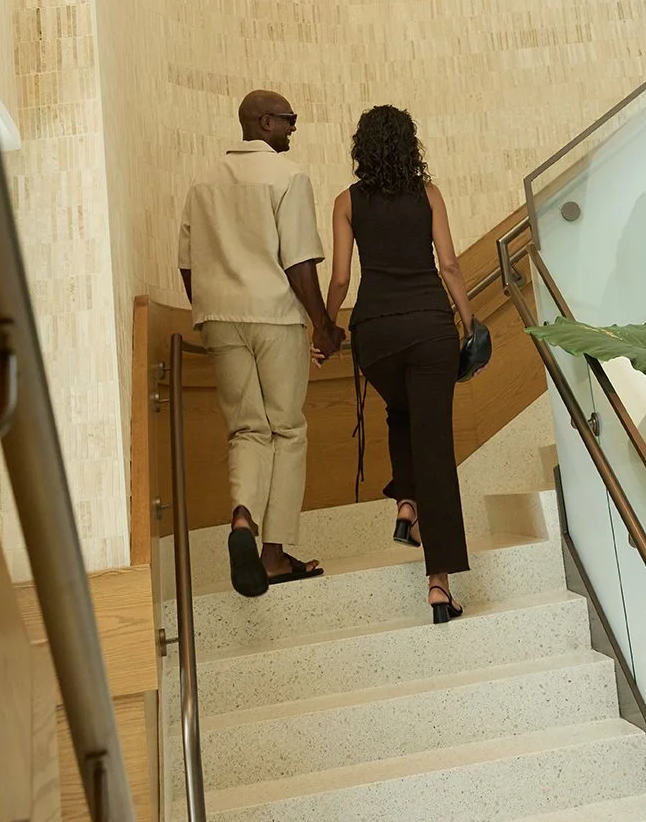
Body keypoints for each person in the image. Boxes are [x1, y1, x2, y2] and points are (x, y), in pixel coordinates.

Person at [179, 89, 343, 598]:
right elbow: (299, 262)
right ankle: (272, 555)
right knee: (287, 429)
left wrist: (210, 311)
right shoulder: (287, 176)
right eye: (289, 119)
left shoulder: (202, 182)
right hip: (274, 316)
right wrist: (323, 325)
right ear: (265, 122)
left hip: (219, 318)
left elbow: (187, 265)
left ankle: (242, 517)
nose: (294, 128)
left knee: (246, 429)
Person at [326, 106, 480, 624]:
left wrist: (325, 328)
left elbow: (341, 278)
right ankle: (439, 583)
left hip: (376, 334)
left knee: (400, 411)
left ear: (362, 148)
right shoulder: (428, 195)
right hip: (429, 328)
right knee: (434, 445)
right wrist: (470, 322)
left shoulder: (346, 202)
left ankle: (407, 504)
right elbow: (449, 265)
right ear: (410, 145)